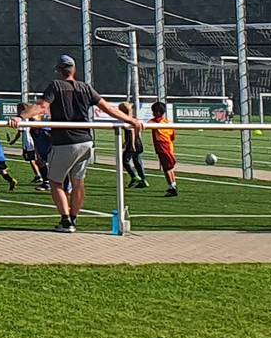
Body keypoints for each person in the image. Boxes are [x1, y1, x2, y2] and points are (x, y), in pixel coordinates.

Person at [40, 54, 141, 232]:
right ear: (74, 70)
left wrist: (20, 116)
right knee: (78, 181)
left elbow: (42, 106)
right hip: (86, 141)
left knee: (55, 181)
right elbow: (109, 108)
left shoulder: (55, 85)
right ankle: (73, 218)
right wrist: (131, 120)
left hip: (64, 141)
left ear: (58, 71)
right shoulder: (85, 88)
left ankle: (66, 221)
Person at [148, 101, 181, 197]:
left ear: (158, 112)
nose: (152, 114)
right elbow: (173, 136)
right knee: (170, 168)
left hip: (163, 147)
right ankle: (173, 185)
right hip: (169, 147)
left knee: (167, 168)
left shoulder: (155, 122)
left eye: (154, 112)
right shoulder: (168, 123)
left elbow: (147, 124)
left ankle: (172, 187)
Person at [120, 108, 149, 189]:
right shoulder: (135, 120)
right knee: (138, 162)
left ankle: (134, 177)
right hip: (138, 143)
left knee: (124, 160)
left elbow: (132, 132)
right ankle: (143, 180)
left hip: (133, 144)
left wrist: (131, 145)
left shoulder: (129, 121)